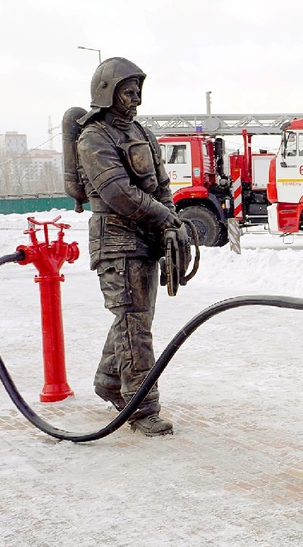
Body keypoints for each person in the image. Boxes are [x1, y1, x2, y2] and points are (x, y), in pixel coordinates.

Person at [76, 57, 191, 436]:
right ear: (108, 92)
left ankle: (110, 381)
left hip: (143, 241)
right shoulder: (94, 137)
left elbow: (160, 186)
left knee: (135, 320)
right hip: (116, 242)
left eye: (138, 89)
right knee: (134, 323)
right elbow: (118, 194)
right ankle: (142, 407)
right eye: (128, 90)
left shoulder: (140, 130)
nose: (136, 96)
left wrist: (170, 221)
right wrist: (162, 217)